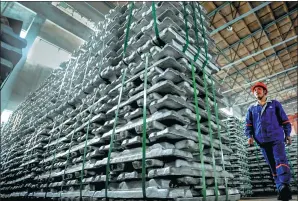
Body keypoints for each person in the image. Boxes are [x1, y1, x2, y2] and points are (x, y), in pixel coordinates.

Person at [245, 82, 292, 200]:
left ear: (265, 91)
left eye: (259, 89)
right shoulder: (251, 108)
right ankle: (281, 188)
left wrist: (287, 134)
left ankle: (285, 185)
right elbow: (248, 124)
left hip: (276, 138)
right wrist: (249, 136)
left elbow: (285, 120)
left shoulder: (274, 104)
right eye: (255, 90)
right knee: (272, 165)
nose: (257, 91)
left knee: (280, 161)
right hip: (262, 142)